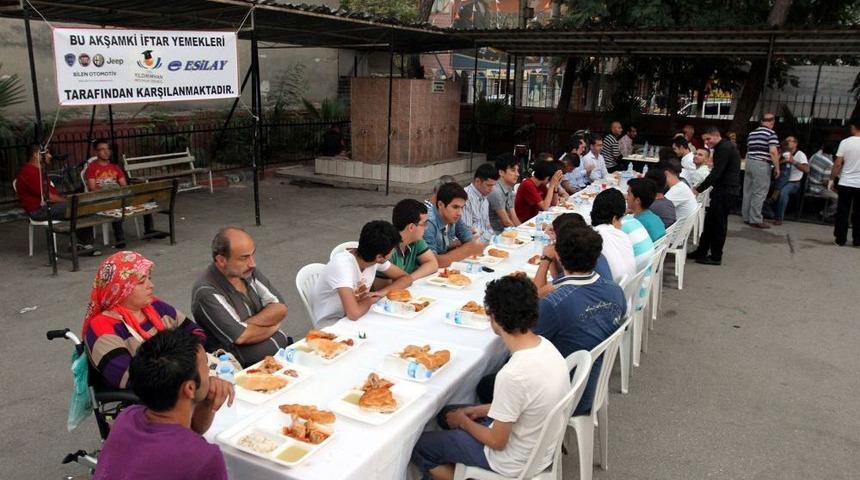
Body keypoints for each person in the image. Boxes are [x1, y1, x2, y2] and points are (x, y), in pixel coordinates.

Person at [411, 276, 569, 480]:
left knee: (418, 445)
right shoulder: (546, 346)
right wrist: (476, 410)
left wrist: (464, 422)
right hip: (540, 444)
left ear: (494, 318)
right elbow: (525, 403)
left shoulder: (513, 375)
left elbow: (497, 441)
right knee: (446, 414)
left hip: (511, 460)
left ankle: (468, 475)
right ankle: (460, 461)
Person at [93, 328, 231, 480]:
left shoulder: (127, 417)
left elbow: (184, 434)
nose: (211, 373)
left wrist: (207, 402)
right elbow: (184, 445)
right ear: (190, 388)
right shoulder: (204, 458)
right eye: (207, 365)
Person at [534, 225, 625, 416]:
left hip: (566, 394)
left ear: (558, 255)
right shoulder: (615, 289)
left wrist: (545, 260)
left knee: (488, 381)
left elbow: (528, 351)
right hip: (595, 382)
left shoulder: (554, 303)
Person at [83, 251, 208, 389]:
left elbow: (196, 332)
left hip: (176, 381)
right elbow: (128, 378)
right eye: (141, 281)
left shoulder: (155, 306)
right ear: (119, 290)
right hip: (146, 398)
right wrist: (184, 362)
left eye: (149, 278)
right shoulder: (102, 327)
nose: (151, 285)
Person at [191, 227, 292, 367]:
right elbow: (242, 337)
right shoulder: (207, 292)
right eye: (244, 258)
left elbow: (280, 308)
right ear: (221, 260)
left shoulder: (247, 272)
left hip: (282, 355)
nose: (252, 263)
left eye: (252, 255)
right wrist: (273, 325)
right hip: (246, 370)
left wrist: (245, 324)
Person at [310, 220, 412, 327]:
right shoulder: (343, 266)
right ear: (379, 257)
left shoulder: (371, 258)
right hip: (332, 325)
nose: (393, 253)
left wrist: (382, 292)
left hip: (358, 316)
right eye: (392, 250)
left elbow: (406, 278)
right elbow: (354, 314)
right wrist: (371, 299)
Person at [14, 144, 99, 255]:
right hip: (39, 210)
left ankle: (80, 243)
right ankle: (81, 244)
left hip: (48, 206)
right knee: (77, 206)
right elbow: (49, 197)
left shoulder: (38, 171)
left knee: (81, 206)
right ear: (36, 155)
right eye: (47, 153)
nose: (50, 156)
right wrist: (69, 201)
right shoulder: (30, 172)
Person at [85, 139, 165, 247]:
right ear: (96, 152)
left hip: (119, 195)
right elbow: (92, 187)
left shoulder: (115, 167)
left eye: (108, 149)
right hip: (103, 198)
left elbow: (123, 184)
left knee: (146, 200)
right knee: (115, 205)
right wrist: (107, 191)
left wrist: (122, 192)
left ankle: (149, 230)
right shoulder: (92, 168)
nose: (106, 152)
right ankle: (120, 238)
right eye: (102, 149)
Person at [689, 126, 741, 266]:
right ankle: (701, 251)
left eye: (708, 139)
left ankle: (716, 256)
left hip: (726, 191)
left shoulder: (724, 148)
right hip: (723, 190)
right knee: (710, 223)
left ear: (716, 135)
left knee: (718, 224)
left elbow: (716, 173)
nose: (707, 142)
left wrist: (698, 189)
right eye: (705, 140)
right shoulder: (723, 147)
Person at [425, 182, 488, 267]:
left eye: (462, 207)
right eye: (455, 207)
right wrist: (466, 250)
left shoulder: (454, 216)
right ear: (440, 205)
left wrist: (469, 248)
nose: (460, 213)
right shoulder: (428, 223)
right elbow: (433, 262)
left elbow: (469, 241)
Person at [742, 114, 780, 229]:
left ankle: (747, 217)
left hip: (749, 163)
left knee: (748, 190)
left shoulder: (752, 133)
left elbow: (749, 150)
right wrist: (777, 167)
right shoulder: (771, 134)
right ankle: (755, 219)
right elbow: (773, 152)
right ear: (772, 122)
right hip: (762, 164)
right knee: (760, 192)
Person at [590, 189, 636, 284]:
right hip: (628, 291)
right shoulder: (623, 236)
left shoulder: (591, 239)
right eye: (621, 219)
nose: (621, 224)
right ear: (615, 218)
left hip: (608, 294)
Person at [388, 199, 438, 281]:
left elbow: (433, 264)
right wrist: (406, 280)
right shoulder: (387, 249)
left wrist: (409, 279)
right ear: (411, 227)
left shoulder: (416, 240)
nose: (426, 228)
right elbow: (384, 289)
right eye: (424, 224)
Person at [831, 117, 860, 246]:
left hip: (846, 182)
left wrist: (832, 178)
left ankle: (840, 238)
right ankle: (857, 239)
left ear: (854, 127)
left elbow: (838, 163)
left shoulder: (845, 142)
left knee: (843, 211)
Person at [770, 135, 809, 225]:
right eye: (786, 140)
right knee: (765, 187)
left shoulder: (800, 154)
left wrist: (793, 162)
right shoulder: (783, 152)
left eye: (789, 141)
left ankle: (779, 217)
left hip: (793, 182)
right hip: (781, 179)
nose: (787, 142)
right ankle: (767, 212)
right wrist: (781, 161)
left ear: (795, 143)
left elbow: (806, 169)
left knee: (783, 192)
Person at [462, 163, 498, 239]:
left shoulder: (484, 195)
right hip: (473, 243)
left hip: (486, 239)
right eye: (488, 185)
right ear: (477, 181)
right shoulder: (465, 197)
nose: (491, 189)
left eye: (493, 185)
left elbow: (487, 225)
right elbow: (467, 232)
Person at [487, 154, 521, 233]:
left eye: (517, 170)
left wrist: (524, 232)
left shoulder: (508, 187)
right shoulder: (495, 191)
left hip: (505, 232)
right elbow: (506, 221)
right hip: (495, 234)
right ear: (501, 172)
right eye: (513, 170)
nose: (517, 174)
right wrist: (520, 234)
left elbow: (513, 216)